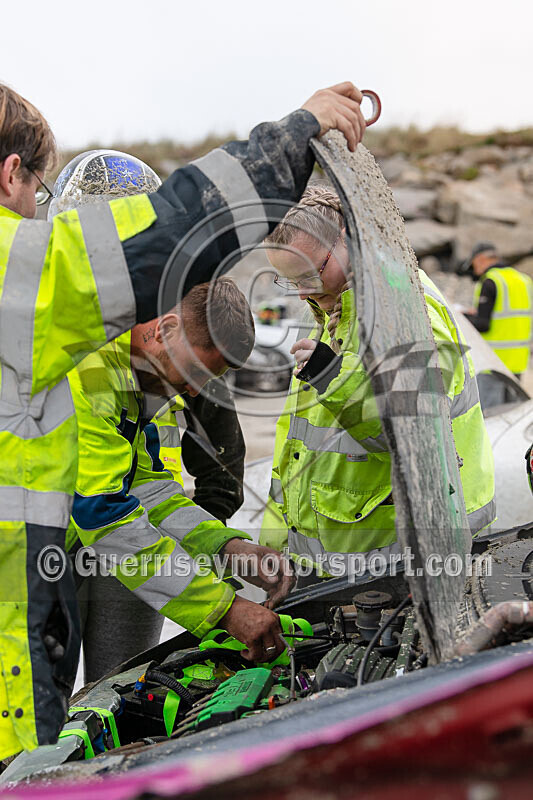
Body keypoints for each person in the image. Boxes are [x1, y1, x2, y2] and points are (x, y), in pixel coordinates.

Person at [0, 80, 367, 760]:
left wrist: (224, 548)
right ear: (10, 173)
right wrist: (298, 131)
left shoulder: (111, 362)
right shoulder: (41, 303)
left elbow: (140, 485)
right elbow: (109, 512)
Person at [259, 185, 496, 578]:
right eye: (289, 280)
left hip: (398, 563)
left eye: (309, 273)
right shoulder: (324, 302)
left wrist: (332, 376)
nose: (301, 291)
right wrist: (276, 545)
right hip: (334, 557)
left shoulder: (404, 306)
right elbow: (298, 441)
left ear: (349, 237)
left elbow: (413, 427)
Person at [460, 242, 533, 380]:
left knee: (491, 402)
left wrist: (461, 317)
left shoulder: (491, 281)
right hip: (518, 363)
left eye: (473, 265)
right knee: (515, 403)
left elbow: (483, 324)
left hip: (493, 363)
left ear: (480, 259)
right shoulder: (524, 280)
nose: (474, 270)